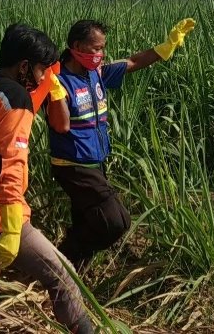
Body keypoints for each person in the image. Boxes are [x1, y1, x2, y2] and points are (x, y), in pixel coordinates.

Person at [0, 24, 94, 334]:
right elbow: (11, 165)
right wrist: (11, 228)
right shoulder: (17, 99)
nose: (41, 77)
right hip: (0, 216)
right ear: (24, 66)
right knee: (63, 276)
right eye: (40, 70)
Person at [45, 18, 196, 270]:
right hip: (72, 165)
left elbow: (133, 62)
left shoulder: (96, 73)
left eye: (103, 48)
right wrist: (56, 92)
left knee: (87, 222)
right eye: (95, 49)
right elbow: (61, 126)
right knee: (116, 222)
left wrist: (165, 47)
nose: (100, 54)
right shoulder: (58, 80)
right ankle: (60, 260)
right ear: (76, 45)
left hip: (96, 163)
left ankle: (69, 274)